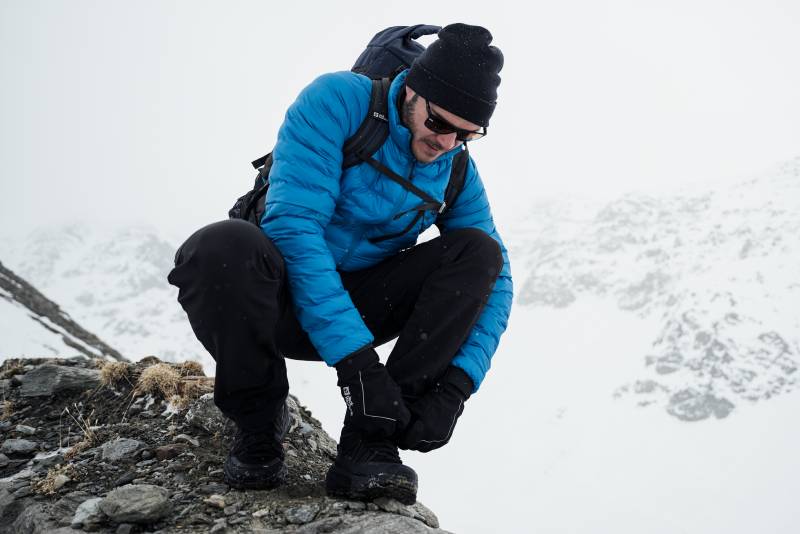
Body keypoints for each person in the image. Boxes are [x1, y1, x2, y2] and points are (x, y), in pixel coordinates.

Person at [168, 23, 512, 504]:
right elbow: (294, 230)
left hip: (360, 305)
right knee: (221, 248)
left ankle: (370, 445)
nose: (446, 144)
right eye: (438, 123)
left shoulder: (453, 168)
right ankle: (258, 423)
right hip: (275, 300)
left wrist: (457, 385)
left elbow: (498, 280)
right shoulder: (338, 103)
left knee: (477, 253)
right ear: (412, 89)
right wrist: (357, 367)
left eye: (467, 134)